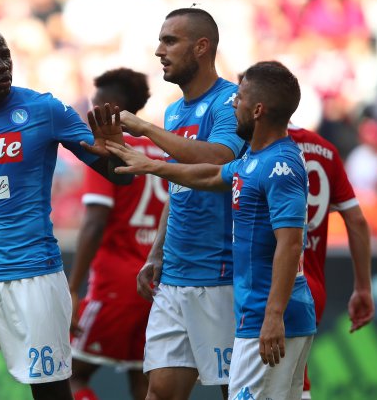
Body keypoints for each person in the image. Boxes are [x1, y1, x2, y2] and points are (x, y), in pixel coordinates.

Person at [0, 25, 130, 400]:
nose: (3, 65)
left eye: (5, 55)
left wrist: (116, 150)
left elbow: (117, 177)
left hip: (34, 276)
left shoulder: (44, 109)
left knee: (50, 393)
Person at [104, 60, 317, 400]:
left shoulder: (281, 165)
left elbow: (291, 246)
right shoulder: (252, 161)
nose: (234, 102)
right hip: (252, 311)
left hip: (269, 313)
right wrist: (151, 166)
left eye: (241, 97)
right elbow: (205, 176)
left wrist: (273, 316)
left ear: (258, 110)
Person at [108, 8, 246, 400]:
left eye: (170, 41)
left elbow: (219, 160)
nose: (159, 50)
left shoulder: (230, 101)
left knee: (235, 392)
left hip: (219, 275)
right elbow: (179, 186)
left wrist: (146, 130)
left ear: (201, 47)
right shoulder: (173, 110)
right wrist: (156, 253)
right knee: (162, 392)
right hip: (175, 277)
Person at [68, 68, 168, 400]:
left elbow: (96, 220)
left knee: (67, 375)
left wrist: (72, 289)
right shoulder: (163, 151)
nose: (88, 114)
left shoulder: (108, 149)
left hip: (115, 286)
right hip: (155, 285)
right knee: (143, 383)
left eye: (94, 106)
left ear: (110, 109)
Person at [288, 123, 374, 399]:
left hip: (272, 283)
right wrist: (363, 287)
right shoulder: (324, 149)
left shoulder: (258, 145)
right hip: (312, 285)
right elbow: (357, 220)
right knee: (295, 378)